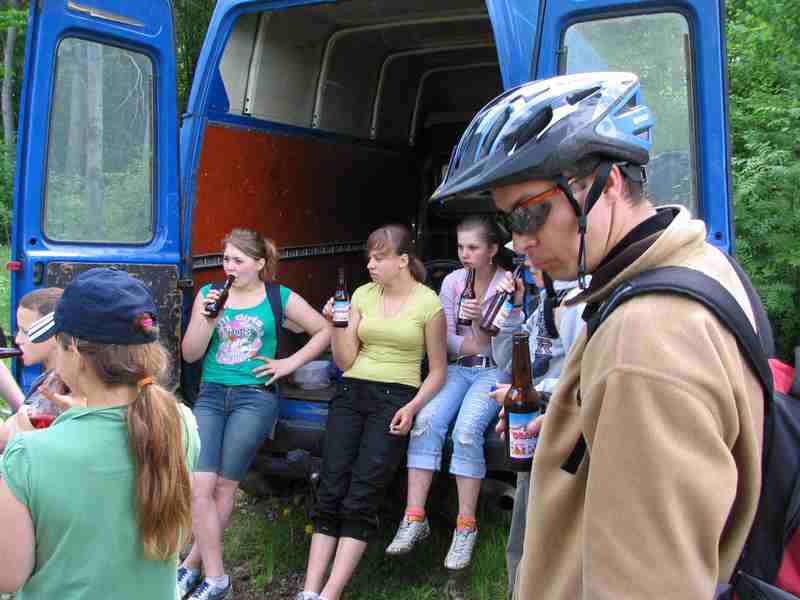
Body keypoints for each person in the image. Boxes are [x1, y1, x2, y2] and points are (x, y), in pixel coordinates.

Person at [431, 72, 765, 598]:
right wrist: (577, 421)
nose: (518, 242)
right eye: (506, 223)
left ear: (607, 185)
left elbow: (649, 586)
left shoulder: (647, 338)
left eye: (529, 213)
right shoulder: (697, 264)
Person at [0, 267, 199, 599]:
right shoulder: (179, 423)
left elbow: (7, 577)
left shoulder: (28, 455)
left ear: (76, 353)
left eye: (58, 342)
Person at [297, 224, 447, 600]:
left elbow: (438, 371)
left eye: (379, 258)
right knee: (330, 488)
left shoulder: (429, 303)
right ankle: (309, 592)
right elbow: (345, 361)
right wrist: (335, 325)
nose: (370, 264)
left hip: (396, 397)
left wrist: (412, 407)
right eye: (369, 257)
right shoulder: (362, 295)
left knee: (362, 495)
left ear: (403, 260)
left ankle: (330, 593)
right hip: (352, 390)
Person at [180, 228, 331, 600]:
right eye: (225, 259)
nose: (228, 267)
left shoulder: (278, 297)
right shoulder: (209, 295)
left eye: (238, 260)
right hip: (212, 393)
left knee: (224, 486)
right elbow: (190, 354)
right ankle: (215, 576)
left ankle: (196, 568)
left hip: (255, 397)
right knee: (200, 487)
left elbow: (324, 330)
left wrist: (288, 364)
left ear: (259, 264)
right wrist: (207, 319)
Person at [384, 215, 508, 570]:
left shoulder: (507, 284)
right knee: (426, 421)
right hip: (456, 368)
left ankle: (466, 526)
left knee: (467, 432)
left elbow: (506, 347)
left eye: (473, 247)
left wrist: (482, 319)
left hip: (493, 372)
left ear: (492, 250)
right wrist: (470, 342)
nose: (464, 254)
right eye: (460, 247)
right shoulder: (453, 282)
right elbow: (442, 337)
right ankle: (414, 517)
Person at [489, 247, 584, 598]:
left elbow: (588, 382)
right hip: (532, 432)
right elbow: (508, 360)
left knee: (551, 541)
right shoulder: (545, 302)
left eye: (529, 256)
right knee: (523, 535)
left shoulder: (580, 305)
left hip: (562, 434)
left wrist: (532, 393)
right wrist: (511, 308)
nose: (524, 264)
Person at [0, 288, 65, 452]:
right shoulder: (45, 380)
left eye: (26, 332)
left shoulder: (65, 391)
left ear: (52, 334)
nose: (17, 340)